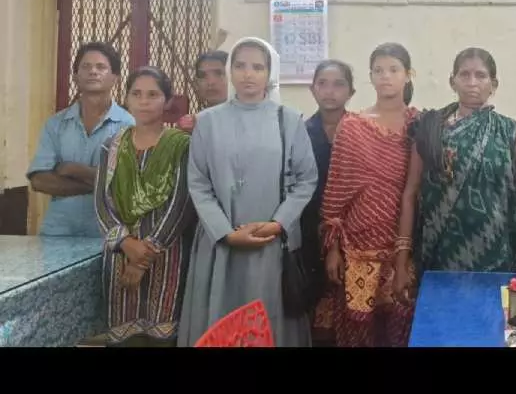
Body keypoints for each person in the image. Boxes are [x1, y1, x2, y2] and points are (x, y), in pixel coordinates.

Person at [177, 37, 318, 347]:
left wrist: (278, 223)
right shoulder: (207, 122)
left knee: (267, 319)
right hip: (220, 243)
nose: (248, 74)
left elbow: (306, 179)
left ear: (270, 72)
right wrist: (225, 233)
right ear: (230, 70)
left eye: (257, 66)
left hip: (271, 242)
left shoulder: (289, 120)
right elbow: (198, 183)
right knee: (221, 321)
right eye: (240, 65)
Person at [393, 48, 516, 304]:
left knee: (492, 322)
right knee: (442, 323)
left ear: (493, 84)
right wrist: (402, 259)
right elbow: (411, 193)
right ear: (453, 81)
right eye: (465, 75)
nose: (472, 82)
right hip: (440, 257)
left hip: (497, 257)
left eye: (480, 76)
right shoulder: (430, 129)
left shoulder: (511, 133)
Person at [319, 43, 417, 347]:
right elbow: (336, 192)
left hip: (404, 248)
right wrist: (333, 249)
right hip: (358, 248)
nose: (385, 77)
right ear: (370, 77)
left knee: (401, 329)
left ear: (408, 75)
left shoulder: (418, 125)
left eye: (393, 70)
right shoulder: (352, 127)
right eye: (378, 70)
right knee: (358, 333)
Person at [90, 67, 195, 347]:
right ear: (126, 98)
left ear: (167, 100)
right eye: (136, 94)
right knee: (124, 335)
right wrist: (126, 243)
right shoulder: (111, 147)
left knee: (161, 336)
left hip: (166, 256)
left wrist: (143, 257)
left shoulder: (182, 145)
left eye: (153, 95)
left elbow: (181, 204)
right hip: (120, 255)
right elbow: (102, 202)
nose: (144, 101)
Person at [27, 42, 134, 236]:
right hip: (57, 233)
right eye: (86, 66)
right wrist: (101, 185)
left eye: (101, 67)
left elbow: (126, 184)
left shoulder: (128, 125)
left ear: (114, 78)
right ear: (75, 77)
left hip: (108, 234)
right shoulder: (55, 124)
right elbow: (39, 180)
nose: (93, 71)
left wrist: (73, 169)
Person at [303, 60, 355, 346]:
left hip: (354, 233)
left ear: (351, 91)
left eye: (338, 84)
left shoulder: (362, 131)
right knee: (314, 317)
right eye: (322, 84)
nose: (330, 91)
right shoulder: (300, 132)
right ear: (312, 89)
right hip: (311, 231)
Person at [175, 50, 229, 133]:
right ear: (196, 83)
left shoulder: (248, 120)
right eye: (202, 75)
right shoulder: (191, 126)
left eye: (218, 73)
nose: (210, 82)